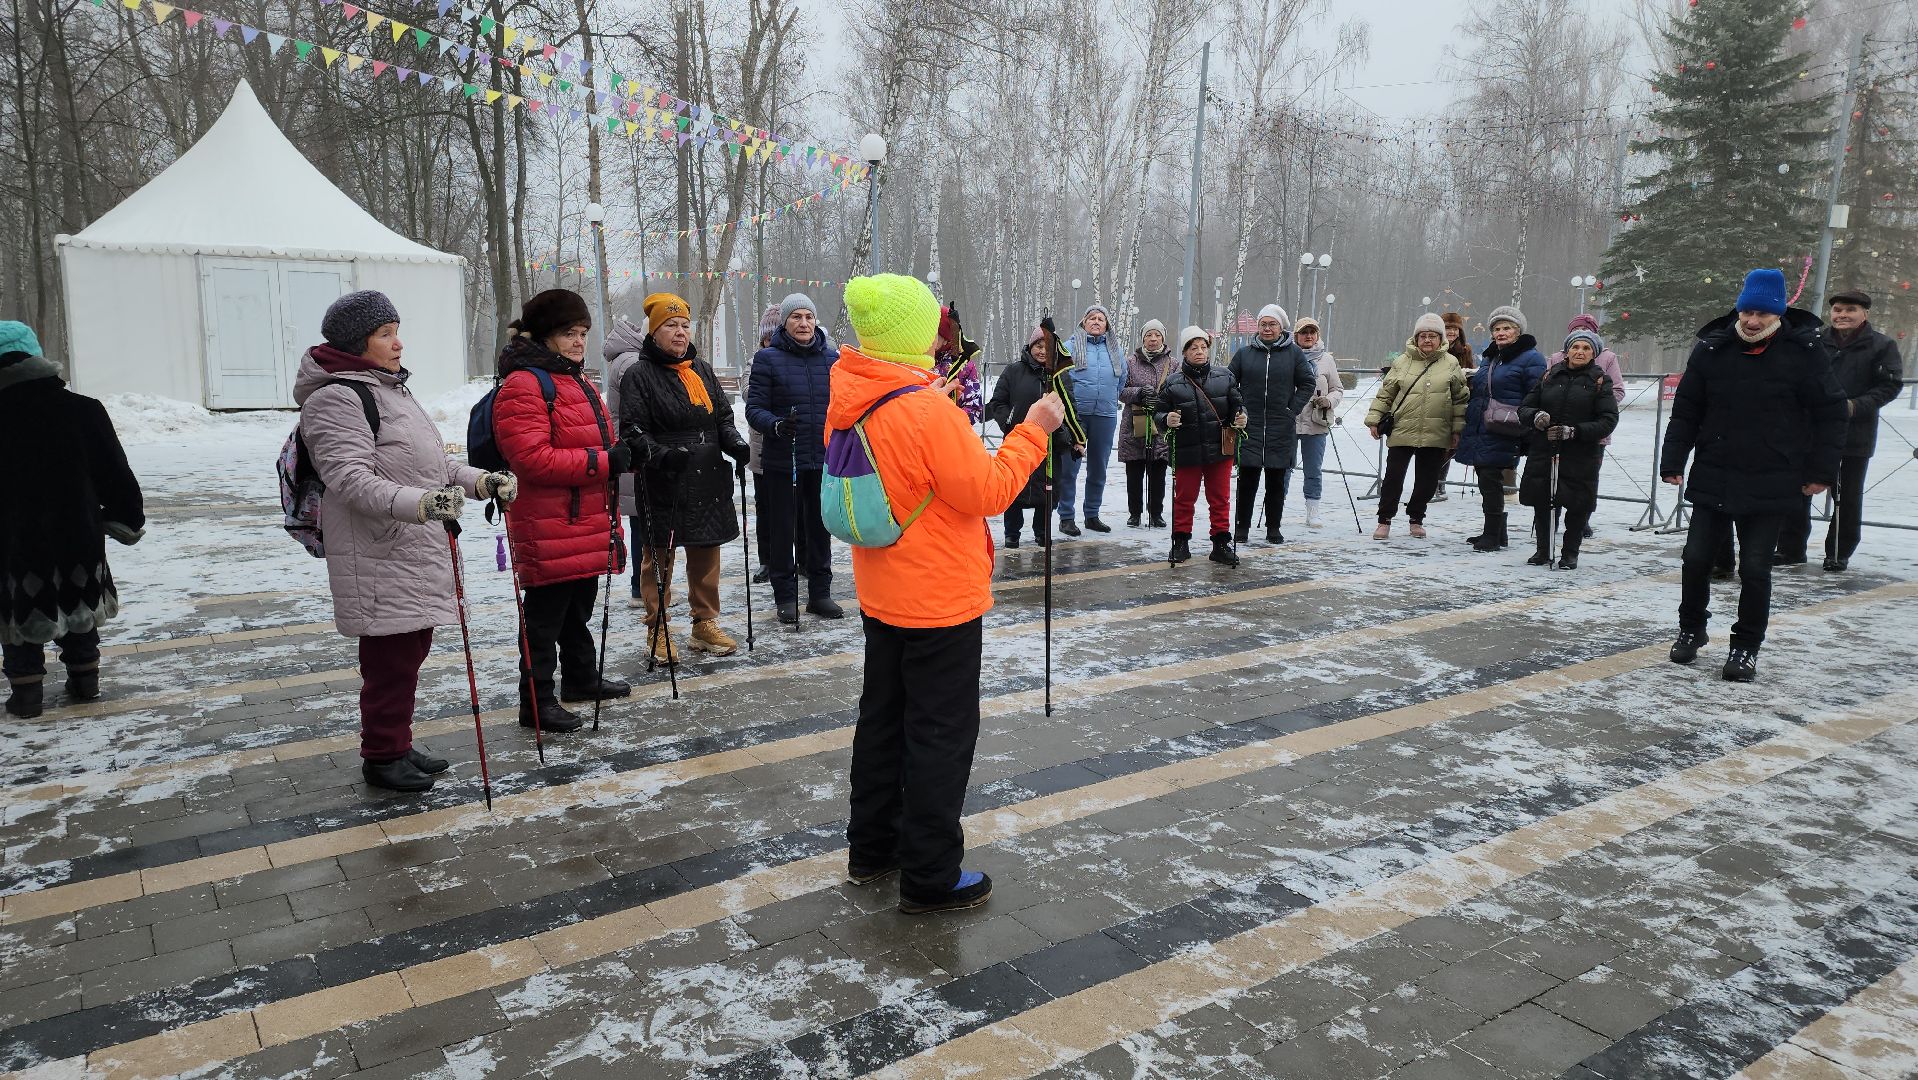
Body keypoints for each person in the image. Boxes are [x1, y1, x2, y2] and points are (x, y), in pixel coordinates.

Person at [831, 273, 1064, 915]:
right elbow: (987, 492)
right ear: (912, 334)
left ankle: (872, 848)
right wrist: (1034, 429)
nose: (940, 338)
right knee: (939, 733)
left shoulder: (851, 390)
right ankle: (931, 872)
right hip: (938, 596)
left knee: (883, 720)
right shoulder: (926, 408)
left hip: (884, 588)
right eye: (931, 327)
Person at [293, 293, 513, 790]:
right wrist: (423, 505)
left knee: (410, 651)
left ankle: (396, 743)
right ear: (358, 342)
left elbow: (431, 467)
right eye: (386, 333)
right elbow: (349, 479)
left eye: (397, 329)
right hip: (377, 549)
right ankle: (381, 755)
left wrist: (480, 481)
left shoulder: (391, 391)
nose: (399, 342)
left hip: (411, 547)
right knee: (389, 660)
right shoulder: (336, 398)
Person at [1661, 269, 1846, 683]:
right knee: (1695, 559)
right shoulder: (1712, 348)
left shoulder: (1803, 352)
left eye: (1762, 313)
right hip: (1716, 470)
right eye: (1747, 311)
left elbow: (1831, 414)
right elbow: (1688, 409)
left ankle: (1745, 646)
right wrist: (1673, 460)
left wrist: (1820, 471)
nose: (1752, 321)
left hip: (1774, 475)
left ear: (1778, 313)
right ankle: (1691, 628)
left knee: (1757, 568)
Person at [494, 289, 629, 733]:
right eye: (568, 332)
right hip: (547, 519)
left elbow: (590, 440)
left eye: (583, 333)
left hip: (584, 515)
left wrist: (626, 451)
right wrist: (606, 461)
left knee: (577, 607)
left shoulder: (574, 379)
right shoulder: (525, 383)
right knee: (544, 617)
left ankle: (580, 677)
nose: (578, 341)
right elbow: (531, 458)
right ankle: (536, 701)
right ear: (545, 334)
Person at [0, 322, 144, 721]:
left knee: (18, 610)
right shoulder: (82, 409)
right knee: (79, 603)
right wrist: (125, 518)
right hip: (77, 532)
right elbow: (114, 472)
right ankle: (85, 679)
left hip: (12, 540)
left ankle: (26, 692)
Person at [618, 292, 752, 662]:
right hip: (667, 477)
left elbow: (722, 418)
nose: (679, 333)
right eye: (670, 326)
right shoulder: (639, 375)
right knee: (659, 557)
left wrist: (736, 443)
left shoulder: (702, 370)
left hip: (708, 474)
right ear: (654, 332)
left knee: (707, 552)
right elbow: (632, 430)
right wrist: (661, 456)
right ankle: (657, 627)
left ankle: (703, 624)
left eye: (684, 325)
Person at [1775, 289, 1904, 572]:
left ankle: (1838, 552)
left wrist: (1855, 406)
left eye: (1850, 310)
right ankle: (1789, 548)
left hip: (1854, 434)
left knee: (1846, 496)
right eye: (1837, 310)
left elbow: (1889, 385)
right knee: (1798, 490)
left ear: (1864, 314)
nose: (1842, 315)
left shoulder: (1882, 345)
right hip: (1810, 431)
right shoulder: (1815, 341)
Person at [747, 293, 843, 624]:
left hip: (820, 458)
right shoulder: (768, 359)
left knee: (819, 529)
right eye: (795, 318)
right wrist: (775, 425)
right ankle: (785, 596)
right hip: (782, 459)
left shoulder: (832, 360)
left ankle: (820, 593)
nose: (803, 323)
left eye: (808, 317)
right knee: (783, 529)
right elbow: (754, 408)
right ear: (784, 324)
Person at [1518, 330, 1619, 569]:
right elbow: (1525, 407)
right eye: (1575, 347)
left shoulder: (1600, 381)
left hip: (1580, 454)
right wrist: (1537, 416)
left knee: (1577, 504)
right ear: (1567, 351)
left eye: (1586, 348)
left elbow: (1608, 420)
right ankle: (1543, 550)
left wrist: (1575, 431)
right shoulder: (1549, 376)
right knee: (1543, 501)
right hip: (1545, 450)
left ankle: (1570, 552)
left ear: (1593, 353)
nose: (1580, 352)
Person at [1366, 313, 1470, 540]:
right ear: (1416, 338)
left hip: (1436, 431)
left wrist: (1456, 430)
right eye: (1423, 336)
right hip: (1403, 427)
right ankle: (1384, 519)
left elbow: (1460, 400)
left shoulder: (1451, 363)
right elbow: (1386, 393)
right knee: (1393, 477)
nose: (1427, 340)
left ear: (1441, 338)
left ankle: (1416, 518)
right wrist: (1374, 419)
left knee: (1427, 481)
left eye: (1433, 336)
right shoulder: (1402, 361)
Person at [984, 324, 1084, 548]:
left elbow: (1070, 408)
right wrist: (1009, 422)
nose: (1042, 351)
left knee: (1046, 489)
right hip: (1018, 438)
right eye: (1038, 346)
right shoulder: (1014, 371)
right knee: (1014, 487)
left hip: (1049, 443)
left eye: (1047, 347)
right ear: (1030, 347)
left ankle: (1042, 532)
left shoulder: (1059, 376)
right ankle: (1012, 533)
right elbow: (998, 402)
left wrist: (1075, 436)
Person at [1456, 306, 1547, 552]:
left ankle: (1493, 535)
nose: (1501, 333)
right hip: (1484, 425)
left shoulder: (1531, 358)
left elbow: (1536, 393)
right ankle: (1495, 532)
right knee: (1487, 478)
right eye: (1496, 329)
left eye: (1507, 328)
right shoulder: (1491, 356)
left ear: (1518, 331)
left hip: (1507, 425)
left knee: (1490, 477)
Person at [1156, 326, 1247, 566]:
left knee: (1220, 498)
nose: (1199, 352)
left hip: (1219, 449)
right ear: (1185, 352)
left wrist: (1241, 416)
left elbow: (1239, 404)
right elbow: (1159, 413)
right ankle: (1181, 541)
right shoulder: (1172, 383)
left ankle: (1220, 543)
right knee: (1184, 498)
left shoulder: (1225, 376)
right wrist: (1166, 419)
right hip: (1187, 450)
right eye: (1193, 348)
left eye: (1203, 347)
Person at [1228, 305, 1316, 545]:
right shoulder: (1244, 354)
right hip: (1250, 426)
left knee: (1276, 482)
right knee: (1247, 481)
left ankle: (1273, 527)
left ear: (1281, 327)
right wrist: (1239, 408)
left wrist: (1292, 409)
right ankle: (1242, 527)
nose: (1267, 329)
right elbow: (1229, 382)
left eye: (1272, 324)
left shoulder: (1294, 354)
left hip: (1281, 426)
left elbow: (1308, 383)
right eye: (1263, 324)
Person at [1553, 314, 1628, 540]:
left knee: (1584, 478)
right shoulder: (1556, 357)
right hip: (1557, 431)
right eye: (1576, 330)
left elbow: (1618, 391)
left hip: (1591, 433)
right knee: (1554, 476)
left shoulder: (1607, 358)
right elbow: (1545, 387)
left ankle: (1581, 520)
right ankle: (1551, 517)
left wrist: (1594, 406)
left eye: (1588, 330)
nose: (1580, 345)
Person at [1061, 304, 1124, 534]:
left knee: (1099, 467)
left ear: (1107, 325)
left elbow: (1121, 380)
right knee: (1070, 467)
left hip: (1105, 415)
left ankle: (1092, 515)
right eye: (1092, 318)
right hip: (1076, 416)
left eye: (1101, 319)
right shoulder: (1069, 347)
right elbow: (1061, 379)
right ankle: (1066, 516)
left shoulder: (1115, 350)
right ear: (1083, 323)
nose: (1096, 322)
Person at [1118, 319, 1175, 528]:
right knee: (1134, 472)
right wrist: (1139, 393)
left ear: (1163, 337)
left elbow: (1177, 391)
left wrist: (1161, 399)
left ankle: (1156, 513)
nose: (1153, 339)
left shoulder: (1173, 364)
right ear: (1142, 338)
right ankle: (1135, 513)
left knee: (1158, 472)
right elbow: (1121, 391)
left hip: (1160, 424)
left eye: (1157, 335)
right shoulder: (1129, 362)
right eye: (1149, 335)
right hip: (1133, 424)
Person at [1292, 317, 1343, 529]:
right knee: (1283, 468)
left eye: (1312, 332)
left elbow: (1337, 389)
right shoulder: (1288, 356)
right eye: (1304, 332)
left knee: (1313, 469)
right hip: (1290, 420)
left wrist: (1329, 401)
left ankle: (1313, 511)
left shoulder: (1326, 359)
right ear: (1296, 336)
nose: (1308, 336)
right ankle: (1274, 510)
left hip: (1316, 421)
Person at [1432, 311, 1475, 503]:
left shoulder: (1465, 349)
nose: (1451, 332)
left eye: (1455, 328)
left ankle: (1440, 482)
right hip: (1435, 399)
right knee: (1433, 444)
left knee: (1450, 444)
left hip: (1457, 400)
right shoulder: (1434, 347)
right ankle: (1429, 481)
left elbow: (1471, 370)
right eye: (1448, 328)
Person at [932, 305, 984, 425]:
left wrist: (951, 425)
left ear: (946, 339)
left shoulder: (962, 365)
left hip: (949, 433)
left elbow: (973, 405)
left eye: (934, 334)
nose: (927, 338)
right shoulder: (916, 360)